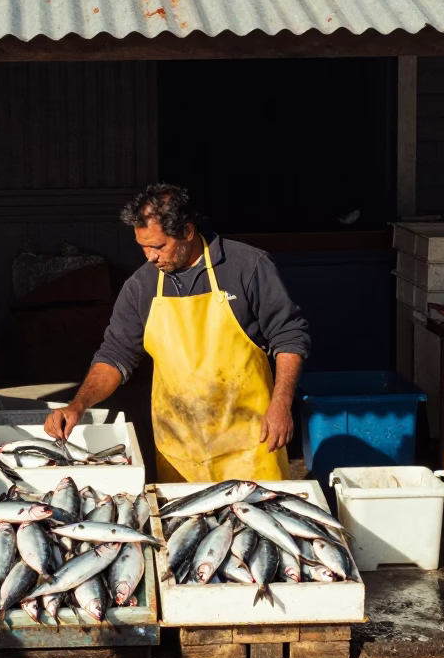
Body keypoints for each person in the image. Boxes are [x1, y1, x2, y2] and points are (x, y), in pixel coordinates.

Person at [44, 184, 310, 483]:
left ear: (187, 232)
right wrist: (79, 405)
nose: (150, 257)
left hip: (250, 441)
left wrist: (281, 404)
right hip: (179, 450)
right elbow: (115, 356)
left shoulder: (247, 266)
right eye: (142, 246)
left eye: (158, 246)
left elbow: (289, 336)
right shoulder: (140, 286)